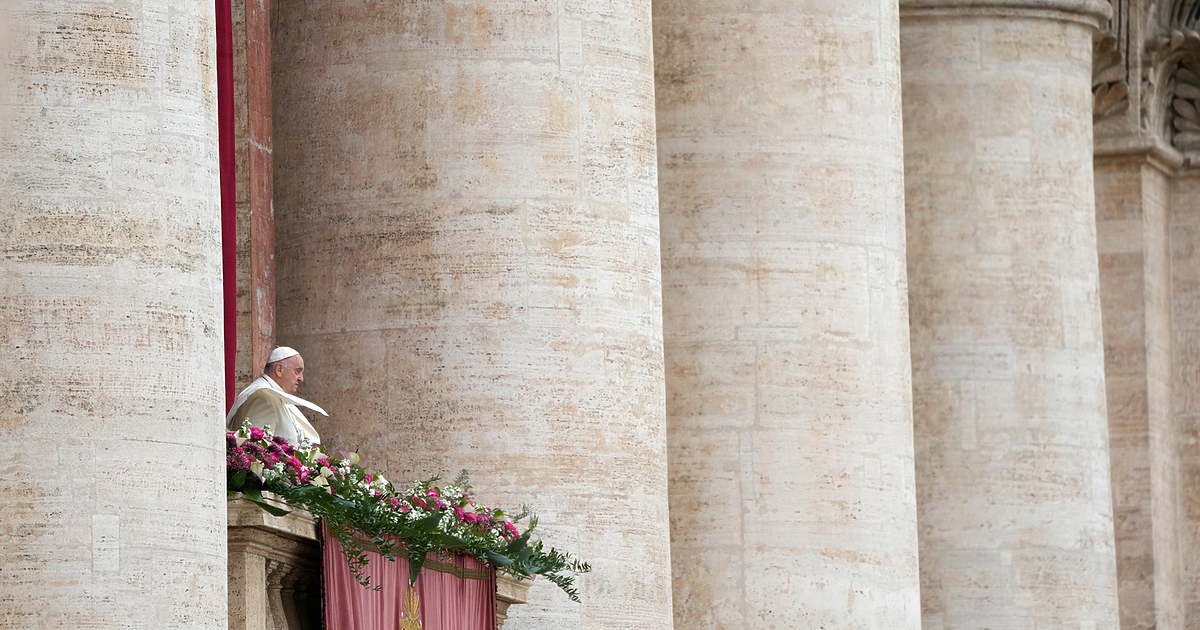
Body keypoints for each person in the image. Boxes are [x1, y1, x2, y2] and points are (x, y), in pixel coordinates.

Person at [226, 346, 327, 445]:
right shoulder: (263, 398)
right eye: (297, 372)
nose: (301, 378)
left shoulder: (274, 395)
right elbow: (255, 450)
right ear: (279, 370)